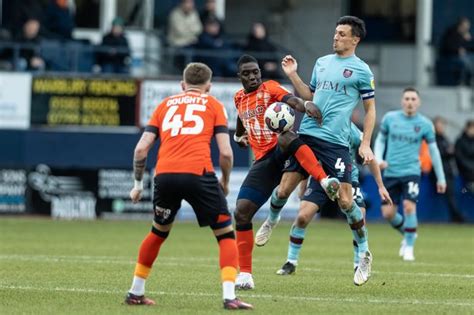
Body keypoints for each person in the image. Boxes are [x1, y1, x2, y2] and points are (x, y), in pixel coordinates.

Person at [124, 62, 252, 310]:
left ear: (182, 86)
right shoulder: (213, 104)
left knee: (158, 232)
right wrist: (224, 182)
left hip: (165, 175)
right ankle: (229, 296)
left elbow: (141, 149)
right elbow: (226, 153)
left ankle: (135, 291)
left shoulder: (164, 105)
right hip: (198, 173)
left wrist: (138, 184)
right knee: (225, 234)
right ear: (209, 87)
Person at [276, 16, 378, 286]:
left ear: (355, 39)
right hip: (308, 135)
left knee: (346, 202)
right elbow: (309, 97)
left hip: (335, 142)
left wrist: (365, 143)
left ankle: (364, 252)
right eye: (335, 33)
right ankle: (288, 256)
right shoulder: (321, 63)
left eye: (342, 34)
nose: (336, 37)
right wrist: (292, 75)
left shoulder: (362, 71)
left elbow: (370, 111)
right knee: (286, 192)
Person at [233, 54, 340, 290]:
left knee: (287, 135)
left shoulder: (269, 87)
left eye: (255, 72)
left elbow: (290, 100)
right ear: (239, 76)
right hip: (263, 162)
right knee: (241, 213)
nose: (253, 76)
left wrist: (305, 105)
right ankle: (246, 275)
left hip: (283, 150)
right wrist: (239, 135)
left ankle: (324, 180)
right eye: (247, 73)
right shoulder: (239, 98)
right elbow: (241, 118)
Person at [277, 123, 392, 275]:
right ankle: (290, 262)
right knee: (302, 217)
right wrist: (303, 184)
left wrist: (381, 186)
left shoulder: (352, 130)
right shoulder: (314, 129)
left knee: (360, 218)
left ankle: (359, 264)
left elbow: (371, 158)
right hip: (322, 180)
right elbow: (307, 159)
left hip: (348, 180)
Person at [374, 87, 447, 262]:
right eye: (407, 98)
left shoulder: (425, 124)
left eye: (413, 99)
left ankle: (409, 248)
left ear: (418, 102)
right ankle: (409, 234)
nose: (410, 102)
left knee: (408, 206)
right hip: (391, 172)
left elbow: (434, 150)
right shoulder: (390, 119)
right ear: (402, 101)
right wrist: (377, 159)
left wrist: (441, 177)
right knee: (388, 214)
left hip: (412, 171)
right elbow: (380, 140)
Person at [432, 117, 464, 222]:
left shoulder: (444, 138)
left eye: (442, 125)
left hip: (448, 170)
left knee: (452, 195)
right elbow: (435, 155)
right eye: (439, 125)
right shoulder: (432, 139)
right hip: (440, 172)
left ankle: (456, 216)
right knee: (450, 195)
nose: (441, 128)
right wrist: (448, 152)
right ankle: (457, 217)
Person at [438, 17, 473, 85]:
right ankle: (463, 82)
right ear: (460, 25)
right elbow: (448, 46)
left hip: (462, 56)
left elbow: (468, 48)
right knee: (465, 62)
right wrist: (457, 50)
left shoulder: (464, 35)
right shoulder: (451, 32)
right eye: (465, 26)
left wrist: (468, 40)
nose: (466, 29)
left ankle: (469, 81)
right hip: (450, 56)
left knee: (470, 59)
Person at [455, 120, 474, 194]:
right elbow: (460, 159)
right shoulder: (460, 141)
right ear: (467, 128)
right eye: (472, 128)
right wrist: (472, 167)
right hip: (466, 173)